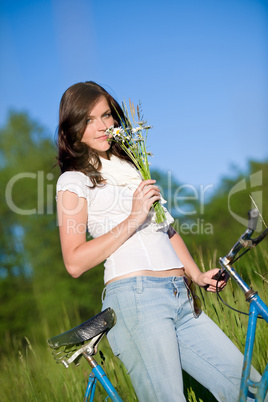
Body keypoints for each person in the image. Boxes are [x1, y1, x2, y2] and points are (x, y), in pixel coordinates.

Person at [56, 81, 260, 401]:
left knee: (250, 388)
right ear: (72, 129)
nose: (103, 126)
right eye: (89, 120)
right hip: (136, 298)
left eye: (107, 115)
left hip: (180, 296)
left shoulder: (134, 167)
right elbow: (74, 262)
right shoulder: (73, 181)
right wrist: (134, 217)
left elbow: (165, 228)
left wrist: (196, 275)